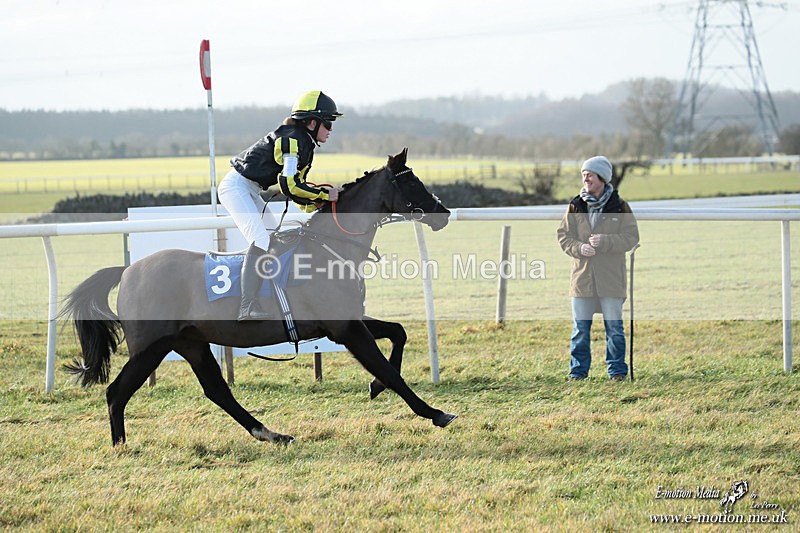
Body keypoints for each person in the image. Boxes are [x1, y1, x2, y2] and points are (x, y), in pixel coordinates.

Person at [218, 90, 343, 321]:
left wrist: (314, 204)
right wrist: (325, 195)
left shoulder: (304, 143)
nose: (331, 129)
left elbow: (296, 188)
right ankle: (247, 307)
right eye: (328, 123)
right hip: (236, 187)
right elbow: (289, 184)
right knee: (261, 240)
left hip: (250, 189)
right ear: (312, 122)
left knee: (273, 238)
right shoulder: (292, 140)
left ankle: (268, 296)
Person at [556, 156, 639, 381]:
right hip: (582, 280)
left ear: (602, 177)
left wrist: (605, 242)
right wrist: (580, 248)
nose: (585, 178)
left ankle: (617, 372)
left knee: (614, 329)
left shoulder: (620, 207)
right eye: (583, 174)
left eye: (590, 174)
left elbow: (632, 237)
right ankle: (578, 373)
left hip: (611, 280)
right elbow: (563, 236)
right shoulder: (575, 205)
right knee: (580, 330)